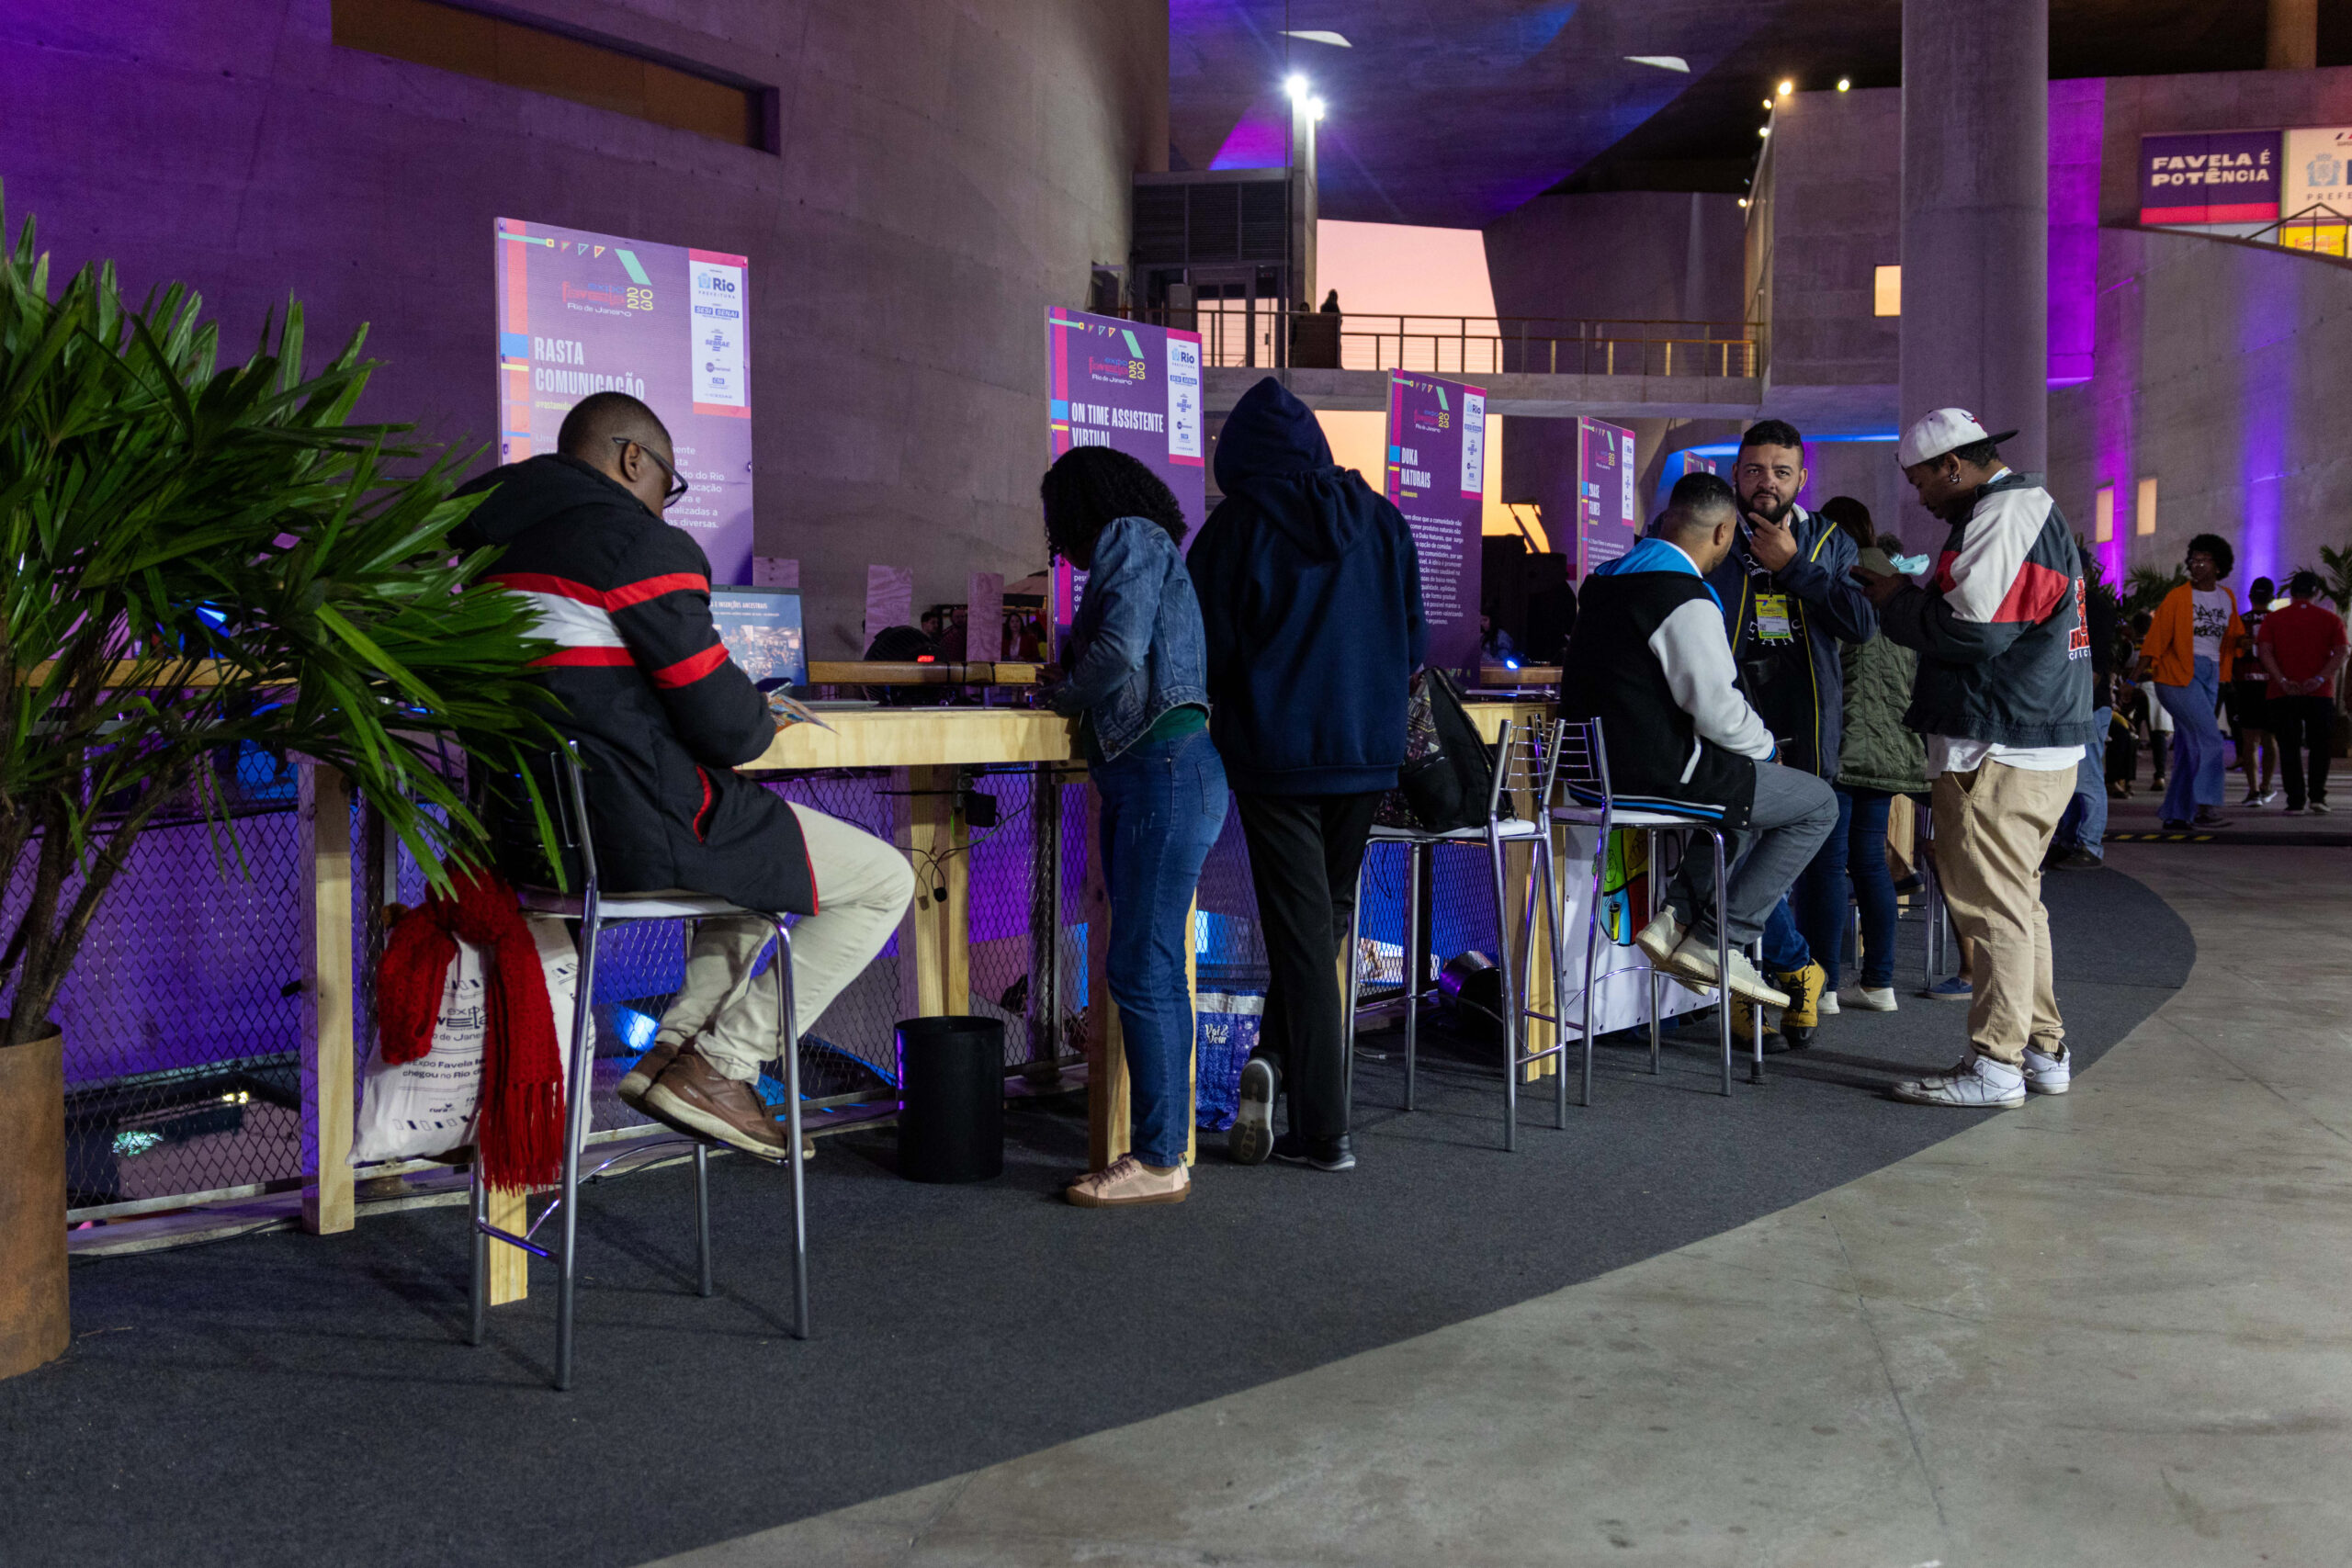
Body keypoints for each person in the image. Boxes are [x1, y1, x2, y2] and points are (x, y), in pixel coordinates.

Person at [456, 391, 914, 1157]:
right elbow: (728, 730)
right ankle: (725, 1063)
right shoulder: (632, 545)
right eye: (669, 487)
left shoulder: (483, 547)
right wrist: (760, 713)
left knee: (759, 873)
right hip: (636, 828)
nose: (665, 506)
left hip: (527, 840)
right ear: (633, 459)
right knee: (883, 881)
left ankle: (673, 1056)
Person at [1188, 376, 1426, 1174]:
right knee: (1322, 922)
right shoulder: (1384, 521)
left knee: (1301, 930)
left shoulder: (1234, 530)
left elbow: (1207, 654)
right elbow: (1415, 643)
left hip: (1274, 756)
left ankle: (1325, 1130)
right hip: (1366, 754)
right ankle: (1273, 1056)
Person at [1853, 410, 2098, 1110]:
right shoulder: (2024, 509)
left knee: (1993, 911)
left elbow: (1973, 632)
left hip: (2001, 743)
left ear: (1954, 466)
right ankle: (2042, 1049)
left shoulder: (2004, 513)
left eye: (1922, 480)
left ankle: (1996, 1062)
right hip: (2031, 739)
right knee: (2018, 905)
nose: (1920, 496)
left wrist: (1896, 599)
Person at [1564, 472, 1838, 1009]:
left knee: (1746, 787)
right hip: (1652, 774)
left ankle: (1677, 919)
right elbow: (1717, 710)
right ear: (1722, 533)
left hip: (1591, 775)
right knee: (1816, 804)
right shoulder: (1682, 595)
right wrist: (1768, 749)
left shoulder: (1604, 582)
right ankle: (1721, 939)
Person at [1036, 447, 1227, 1207]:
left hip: (1162, 770)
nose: (1059, 540)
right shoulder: (1149, 544)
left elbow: (1120, 649)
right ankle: (1165, 1152)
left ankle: (1157, 1158)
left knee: (1142, 968)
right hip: (1163, 773)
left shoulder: (1129, 535)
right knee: (1155, 968)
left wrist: (1063, 694)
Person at [1712, 422, 1878, 1044]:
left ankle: (1802, 976)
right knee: (1735, 857)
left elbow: (1862, 623)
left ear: (1802, 479)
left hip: (1807, 728)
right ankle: (1767, 980)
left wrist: (1795, 567)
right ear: (1736, 474)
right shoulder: (1714, 533)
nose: (1767, 483)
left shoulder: (1829, 541)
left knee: (1791, 867)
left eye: (1781, 472)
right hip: (1729, 725)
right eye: (1755, 470)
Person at [1821, 508, 1928, 1012]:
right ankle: (1878, 982)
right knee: (1869, 862)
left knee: (1827, 864)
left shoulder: (1837, 575)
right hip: (1892, 742)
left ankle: (1820, 987)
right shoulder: (1898, 582)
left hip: (1843, 740)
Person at [2136, 535, 2243, 830]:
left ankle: (2177, 814)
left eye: (2204, 560)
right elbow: (2155, 641)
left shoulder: (2227, 597)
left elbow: (2234, 636)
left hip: (2211, 674)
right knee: (2210, 738)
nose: (2197, 565)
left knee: (2188, 746)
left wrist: (2246, 642)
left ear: (2219, 565)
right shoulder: (2178, 597)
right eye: (2193, 560)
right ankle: (2206, 807)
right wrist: (2133, 680)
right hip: (2176, 675)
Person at [2258, 570, 2349, 815]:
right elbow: (2342, 652)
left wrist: (2282, 680)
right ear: (2316, 592)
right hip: (2320, 693)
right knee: (2320, 746)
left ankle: (2295, 800)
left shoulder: (2274, 619)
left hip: (2282, 692)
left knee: (2289, 746)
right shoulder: (2330, 619)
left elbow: (2264, 651)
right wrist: (2319, 678)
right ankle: (2317, 797)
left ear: (2291, 592)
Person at [2052, 565, 2121, 868]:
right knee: (2074, 776)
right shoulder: (2068, 600)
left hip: (2086, 705)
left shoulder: (2090, 604)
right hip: (2077, 703)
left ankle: (2089, 844)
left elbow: (2097, 661)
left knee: (2087, 776)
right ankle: (2071, 840)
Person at [2230, 577, 2277, 807]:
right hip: (2272, 684)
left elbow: (2229, 651)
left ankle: (2253, 790)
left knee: (2250, 740)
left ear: (2250, 597)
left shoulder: (2240, 622)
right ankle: (2266, 786)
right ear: (2272, 598)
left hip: (2246, 683)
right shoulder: (2278, 621)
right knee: (2270, 738)